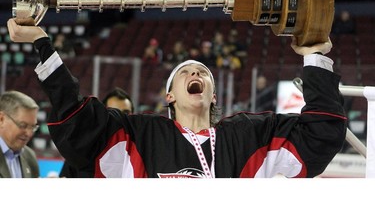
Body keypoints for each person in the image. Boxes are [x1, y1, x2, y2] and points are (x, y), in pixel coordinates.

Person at [7, 18, 347, 178]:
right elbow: (76, 122)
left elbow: (321, 134)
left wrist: (315, 57)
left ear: (213, 97)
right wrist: (42, 43)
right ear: (170, 95)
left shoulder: (250, 135)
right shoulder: (138, 134)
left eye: (203, 74)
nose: (196, 75)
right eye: (186, 72)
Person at [59, 87, 134, 178]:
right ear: (104, 116)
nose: (121, 119)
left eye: (126, 113)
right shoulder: (84, 151)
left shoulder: (141, 151)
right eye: (114, 113)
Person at [0, 90, 40, 178]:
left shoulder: (30, 157)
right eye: (23, 125)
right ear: (1, 119)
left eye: (33, 127)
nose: (29, 134)